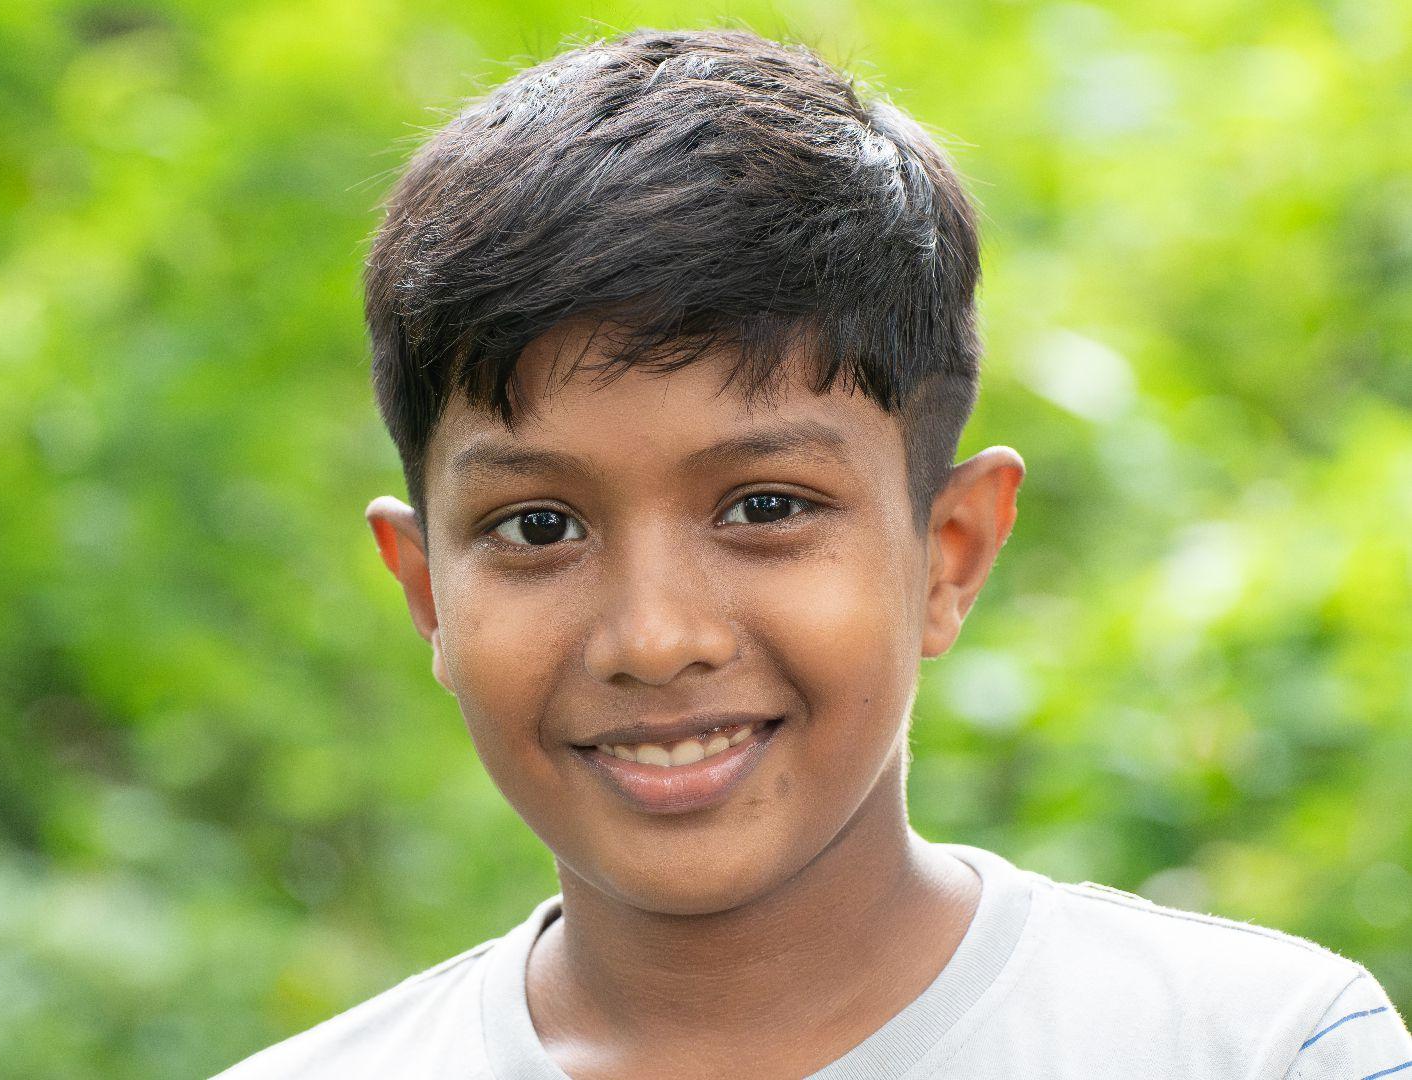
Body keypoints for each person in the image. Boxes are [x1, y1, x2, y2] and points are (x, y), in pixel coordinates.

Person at [216, 27, 1412, 1080]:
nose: (656, 638)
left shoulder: (1253, 1049)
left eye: (765, 507)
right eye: (541, 527)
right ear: (428, 590)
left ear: (949, 553)